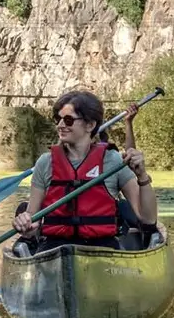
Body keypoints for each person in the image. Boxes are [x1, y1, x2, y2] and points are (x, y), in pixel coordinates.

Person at [13, 89, 157, 252]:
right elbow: (32, 218)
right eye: (57, 119)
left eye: (68, 120)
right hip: (54, 248)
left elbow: (147, 218)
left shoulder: (113, 161)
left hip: (103, 247)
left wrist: (142, 176)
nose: (60, 125)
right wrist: (26, 224)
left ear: (90, 125)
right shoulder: (45, 163)